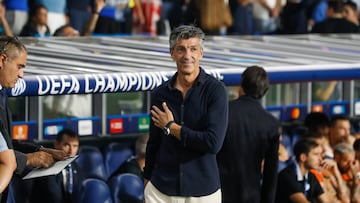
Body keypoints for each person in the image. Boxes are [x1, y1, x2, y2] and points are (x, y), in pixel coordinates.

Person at [143, 25, 228, 203]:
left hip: (202, 193)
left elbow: (213, 143)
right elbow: (154, 143)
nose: (187, 55)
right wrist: (147, 179)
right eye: (181, 49)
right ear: (172, 53)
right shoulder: (160, 94)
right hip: (161, 191)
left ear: (201, 53)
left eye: (193, 49)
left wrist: (171, 127)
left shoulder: (215, 91)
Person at [0, 36, 66, 203]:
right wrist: (29, 159)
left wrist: (40, 150)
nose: (22, 75)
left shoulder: (3, 96)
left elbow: (6, 144)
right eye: (19, 67)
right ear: (2, 60)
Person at [216, 66, 279, 203]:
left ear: (241, 86)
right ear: (265, 91)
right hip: (252, 195)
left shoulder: (222, 113)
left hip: (219, 193)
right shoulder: (271, 124)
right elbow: (271, 173)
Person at [30, 128, 84, 203]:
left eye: (75, 146)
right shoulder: (46, 168)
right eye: (67, 145)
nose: (71, 150)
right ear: (56, 144)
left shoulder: (76, 167)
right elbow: (53, 197)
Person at [275, 138, 329, 202]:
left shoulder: (311, 176)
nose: (320, 159)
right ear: (303, 157)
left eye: (320, 155)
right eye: (316, 154)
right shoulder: (287, 176)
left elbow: (326, 201)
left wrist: (336, 172)